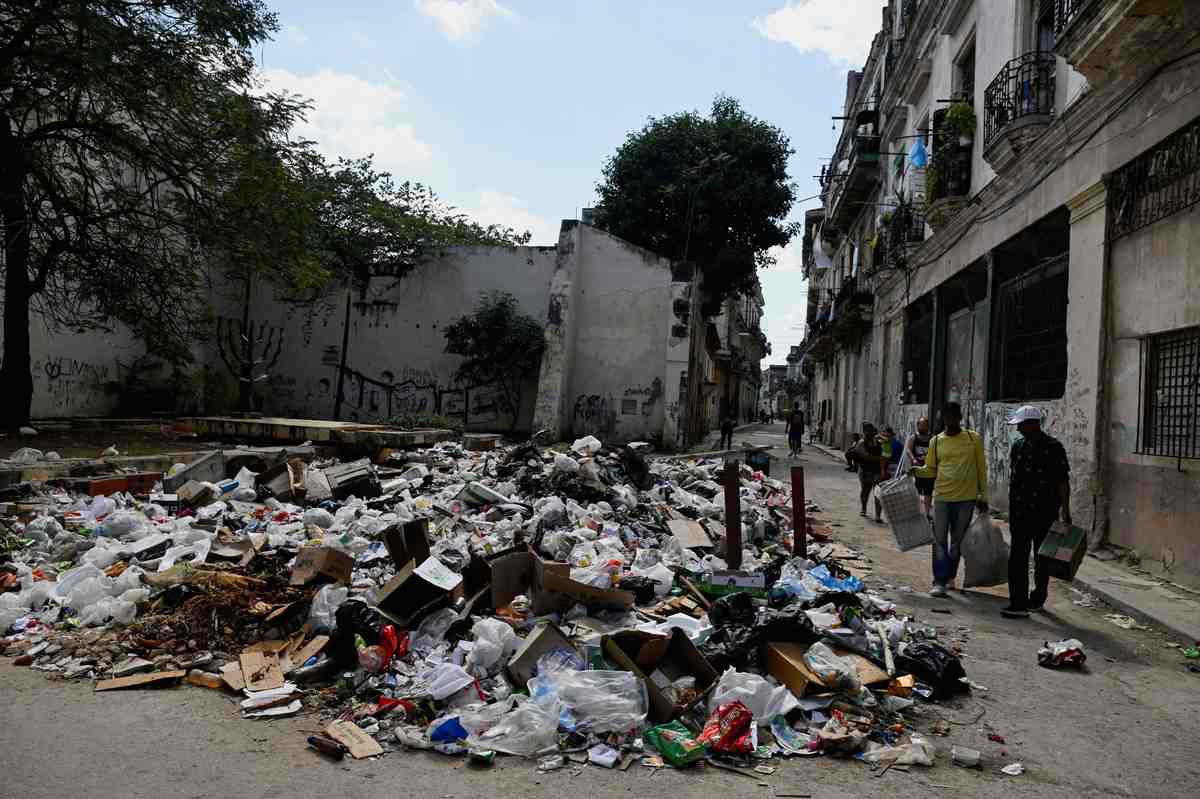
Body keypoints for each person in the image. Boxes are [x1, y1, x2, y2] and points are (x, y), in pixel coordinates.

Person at [912, 402, 988, 597]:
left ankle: (950, 576)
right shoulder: (936, 441)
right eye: (946, 417)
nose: (950, 420)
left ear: (959, 418)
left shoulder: (973, 438)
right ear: (942, 419)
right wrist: (916, 471)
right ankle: (939, 581)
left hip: (967, 499)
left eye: (953, 416)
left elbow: (981, 468)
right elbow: (930, 469)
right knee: (939, 540)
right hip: (942, 498)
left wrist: (984, 496)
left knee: (957, 541)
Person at [1002, 405, 1071, 619]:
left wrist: (1065, 510)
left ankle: (1038, 597)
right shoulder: (1018, 447)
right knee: (1017, 557)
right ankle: (1018, 602)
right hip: (1020, 512)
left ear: (1033, 424)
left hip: (1044, 512)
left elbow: (1063, 481)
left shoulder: (1054, 447)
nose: (1018, 429)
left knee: (1042, 558)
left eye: (1021, 425)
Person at [851, 423, 887, 521]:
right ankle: (863, 508)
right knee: (865, 491)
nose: (869, 433)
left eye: (871, 430)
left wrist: (882, 439)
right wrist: (880, 458)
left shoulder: (878, 441)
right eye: (867, 431)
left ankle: (878, 515)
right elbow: (865, 456)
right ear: (864, 432)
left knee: (878, 493)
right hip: (865, 470)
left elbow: (887, 447)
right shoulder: (861, 442)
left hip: (877, 471)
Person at [905, 418, 935, 519]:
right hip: (916, 469)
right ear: (918, 426)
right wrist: (913, 459)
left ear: (928, 426)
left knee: (928, 492)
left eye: (925, 425)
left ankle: (926, 513)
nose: (923, 427)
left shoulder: (932, 438)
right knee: (915, 491)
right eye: (921, 425)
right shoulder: (914, 437)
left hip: (929, 470)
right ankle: (916, 511)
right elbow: (908, 450)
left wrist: (929, 459)